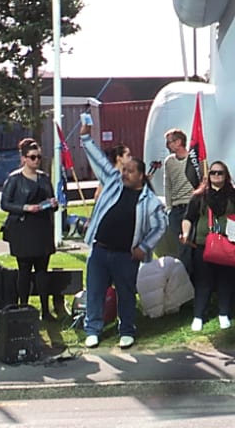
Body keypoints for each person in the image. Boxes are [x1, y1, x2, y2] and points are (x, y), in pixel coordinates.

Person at [79, 119, 167, 350]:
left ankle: (126, 330)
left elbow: (160, 225)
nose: (124, 173)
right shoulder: (112, 182)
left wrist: (144, 247)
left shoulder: (149, 201)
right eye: (124, 169)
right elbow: (98, 160)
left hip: (125, 255)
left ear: (140, 176)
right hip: (100, 249)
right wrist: (86, 137)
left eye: (129, 171)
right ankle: (93, 330)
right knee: (95, 291)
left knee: (126, 294)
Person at [180, 161, 235, 331]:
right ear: (209, 176)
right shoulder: (199, 196)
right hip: (203, 244)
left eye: (220, 173)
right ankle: (198, 315)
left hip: (228, 243)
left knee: (226, 280)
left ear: (226, 175)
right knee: (203, 282)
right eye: (213, 173)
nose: (216, 176)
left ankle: (224, 313)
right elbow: (188, 217)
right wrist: (185, 233)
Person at [0, 138, 57, 320]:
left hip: (42, 228)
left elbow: (53, 200)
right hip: (23, 229)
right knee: (24, 270)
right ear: (24, 158)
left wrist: (52, 204)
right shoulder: (14, 179)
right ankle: (23, 306)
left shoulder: (44, 178)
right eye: (32, 157)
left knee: (43, 270)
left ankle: (45, 310)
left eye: (39, 157)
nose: (36, 160)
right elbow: (5, 203)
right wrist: (25, 208)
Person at [163, 129, 195, 262]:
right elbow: (168, 185)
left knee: (188, 245)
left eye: (169, 142)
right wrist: (169, 207)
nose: (167, 145)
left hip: (191, 206)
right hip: (176, 208)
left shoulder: (193, 159)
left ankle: (188, 275)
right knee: (182, 244)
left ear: (179, 142)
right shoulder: (169, 162)